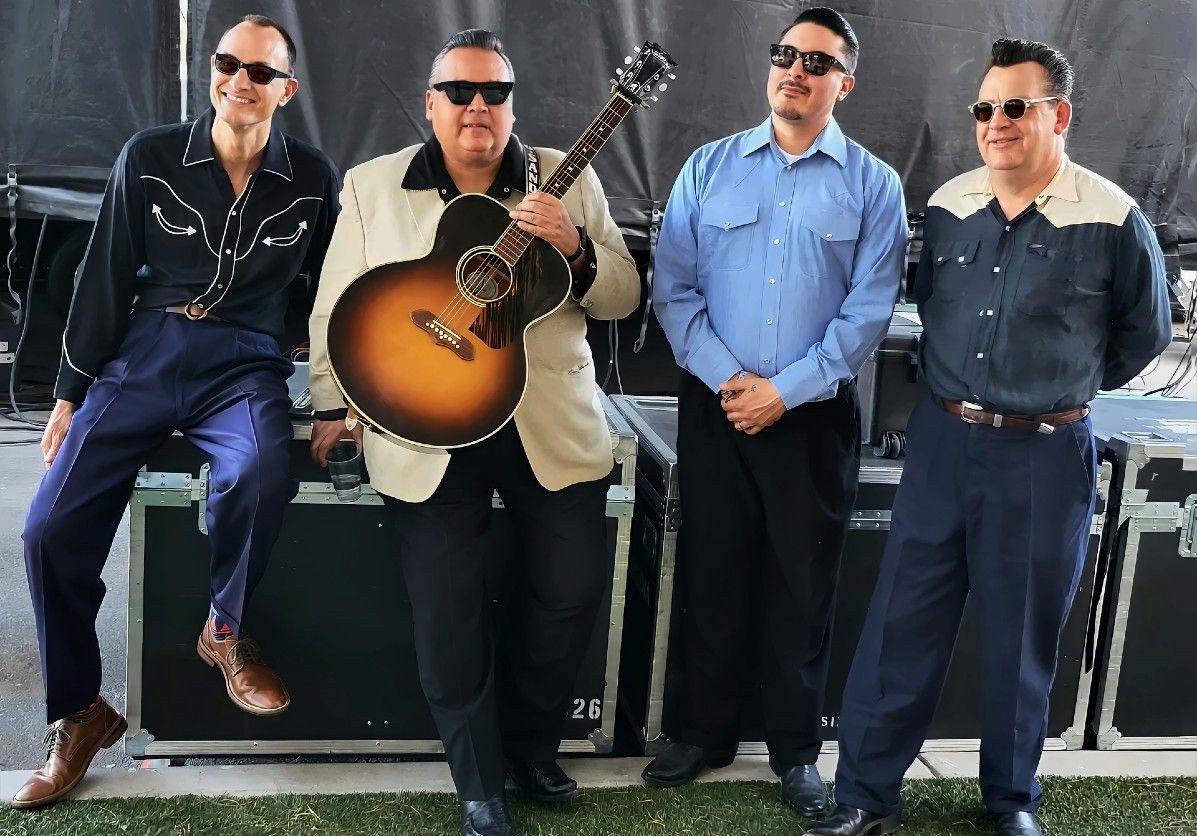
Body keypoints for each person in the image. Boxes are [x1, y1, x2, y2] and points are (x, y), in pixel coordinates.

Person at [808, 38, 1172, 836]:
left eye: (1014, 106)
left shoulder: (1112, 216)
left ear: (1058, 115)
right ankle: (865, 797)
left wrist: (1052, 388)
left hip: (1044, 454)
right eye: (983, 108)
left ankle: (1010, 801)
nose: (994, 122)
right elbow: (926, 305)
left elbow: (1142, 336)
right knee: (901, 623)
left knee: (1020, 637)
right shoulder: (946, 206)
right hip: (942, 445)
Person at [307, 29, 639, 836]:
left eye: (493, 92)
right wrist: (329, 405)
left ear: (512, 104)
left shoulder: (567, 178)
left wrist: (574, 247)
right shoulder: (373, 186)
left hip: (547, 423)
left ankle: (527, 749)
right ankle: (479, 785)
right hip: (425, 422)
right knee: (446, 613)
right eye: (458, 91)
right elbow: (332, 306)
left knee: (568, 594)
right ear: (431, 103)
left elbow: (623, 296)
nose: (476, 106)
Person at [14, 15, 339, 810]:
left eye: (260, 72)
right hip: (146, 351)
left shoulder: (312, 176)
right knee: (48, 529)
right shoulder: (151, 156)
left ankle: (223, 632)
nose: (239, 81)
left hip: (246, 362)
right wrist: (70, 391)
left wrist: (334, 391)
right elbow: (103, 273)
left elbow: (332, 289)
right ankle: (79, 712)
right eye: (227, 63)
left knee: (262, 471)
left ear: (286, 90)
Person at [646, 6, 908, 818]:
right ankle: (702, 733)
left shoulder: (873, 185)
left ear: (844, 83)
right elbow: (673, 289)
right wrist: (733, 381)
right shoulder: (708, 167)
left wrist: (784, 390)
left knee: (803, 587)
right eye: (785, 54)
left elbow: (867, 312)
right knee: (712, 571)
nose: (795, 70)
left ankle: (794, 752)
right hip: (718, 407)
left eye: (816, 62)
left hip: (813, 417)